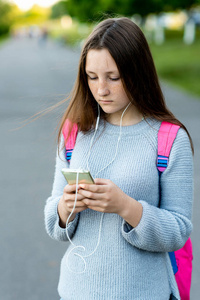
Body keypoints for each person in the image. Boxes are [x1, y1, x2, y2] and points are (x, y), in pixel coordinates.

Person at [44, 17, 193, 300]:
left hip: (146, 293)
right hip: (76, 291)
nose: (101, 89)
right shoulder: (75, 131)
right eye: (92, 76)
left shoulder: (169, 139)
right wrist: (66, 206)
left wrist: (125, 206)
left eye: (113, 77)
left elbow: (178, 231)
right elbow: (55, 225)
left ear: (138, 72)